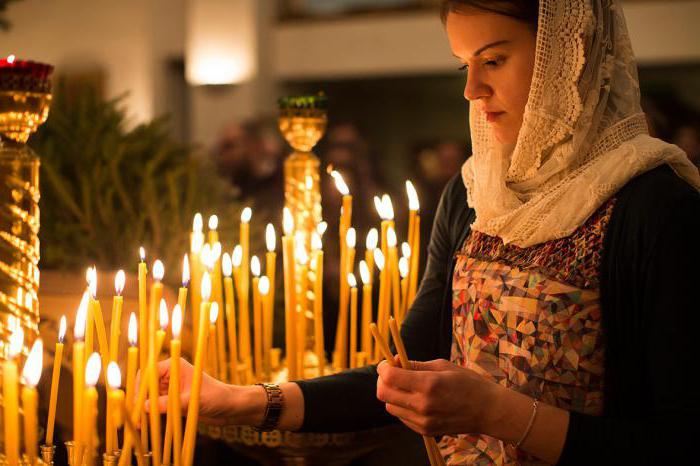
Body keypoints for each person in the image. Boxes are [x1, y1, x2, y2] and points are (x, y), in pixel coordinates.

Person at [148, 1, 700, 464]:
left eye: (495, 59)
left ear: (568, 59)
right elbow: (405, 365)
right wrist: (247, 399)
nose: (473, 91)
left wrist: (495, 413)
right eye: (465, 66)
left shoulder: (654, 209)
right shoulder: (474, 195)